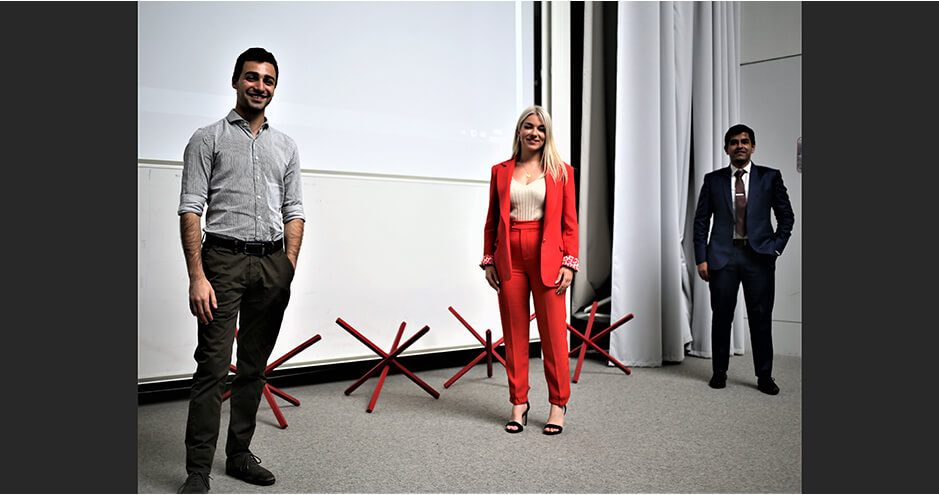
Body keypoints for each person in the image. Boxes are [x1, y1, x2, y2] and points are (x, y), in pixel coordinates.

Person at [176, 47, 305, 493]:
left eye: (268, 80)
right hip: (222, 263)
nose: (260, 87)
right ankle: (198, 469)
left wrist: (287, 266)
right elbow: (191, 209)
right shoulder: (206, 139)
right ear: (235, 81)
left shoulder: (285, 145)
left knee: (253, 367)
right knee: (212, 367)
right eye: (252, 78)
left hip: (272, 265)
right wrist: (197, 276)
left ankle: (238, 455)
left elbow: (294, 210)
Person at [480, 105, 579, 435]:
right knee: (515, 334)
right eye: (529, 126)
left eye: (541, 128)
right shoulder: (501, 171)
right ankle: (519, 402)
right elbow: (492, 221)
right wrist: (488, 259)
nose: (535, 132)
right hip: (510, 258)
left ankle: (557, 403)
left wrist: (569, 263)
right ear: (519, 131)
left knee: (553, 336)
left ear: (547, 133)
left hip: (548, 256)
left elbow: (570, 225)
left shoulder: (562, 172)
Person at [693, 124, 794, 395]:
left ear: (753, 146)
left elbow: (787, 218)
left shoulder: (769, 178)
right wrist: (701, 258)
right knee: (721, 317)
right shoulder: (713, 180)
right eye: (734, 142)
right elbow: (701, 222)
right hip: (722, 258)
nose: (740, 146)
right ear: (726, 149)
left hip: (759, 258)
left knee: (761, 318)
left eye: (745, 141)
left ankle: (764, 376)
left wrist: (775, 248)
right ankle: (719, 372)